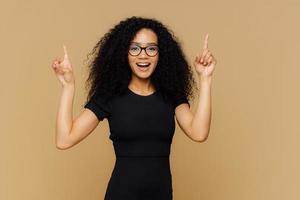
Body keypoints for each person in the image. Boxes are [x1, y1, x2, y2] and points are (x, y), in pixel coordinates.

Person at [51, 16, 216, 200]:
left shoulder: (171, 95)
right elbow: (64, 140)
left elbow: (199, 133)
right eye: (134, 48)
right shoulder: (109, 96)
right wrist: (68, 87)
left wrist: (205, 79)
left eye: (151, 48)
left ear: (161, 54)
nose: (143, 55)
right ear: (124, 53)